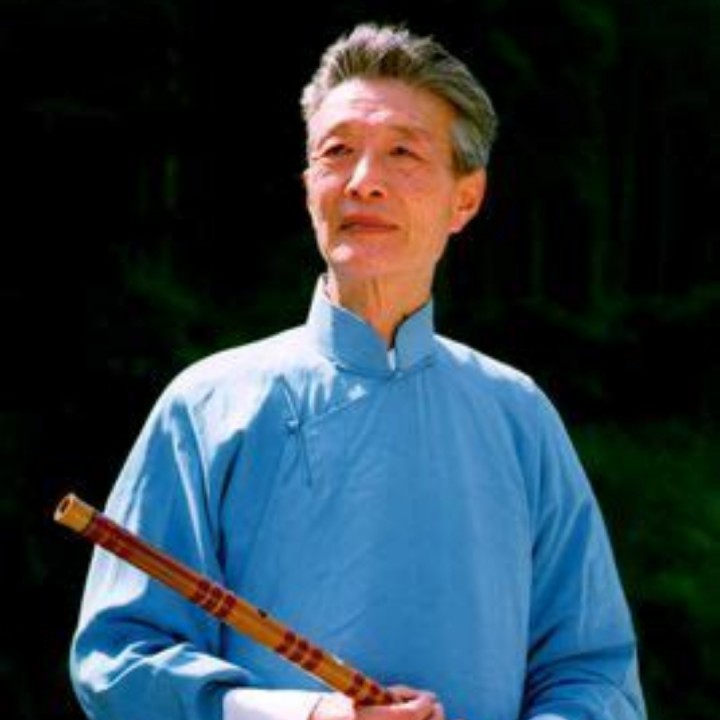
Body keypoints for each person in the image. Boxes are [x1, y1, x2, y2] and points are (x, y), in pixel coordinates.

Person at [69, 22, 647, 720]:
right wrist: (307, 716)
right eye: (337, 152)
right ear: (309, 185)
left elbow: (592, 674)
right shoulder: (207, 405)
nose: (363, 182)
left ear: (465, 199)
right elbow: (121, 662)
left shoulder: (517, 414)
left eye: (403, 152)